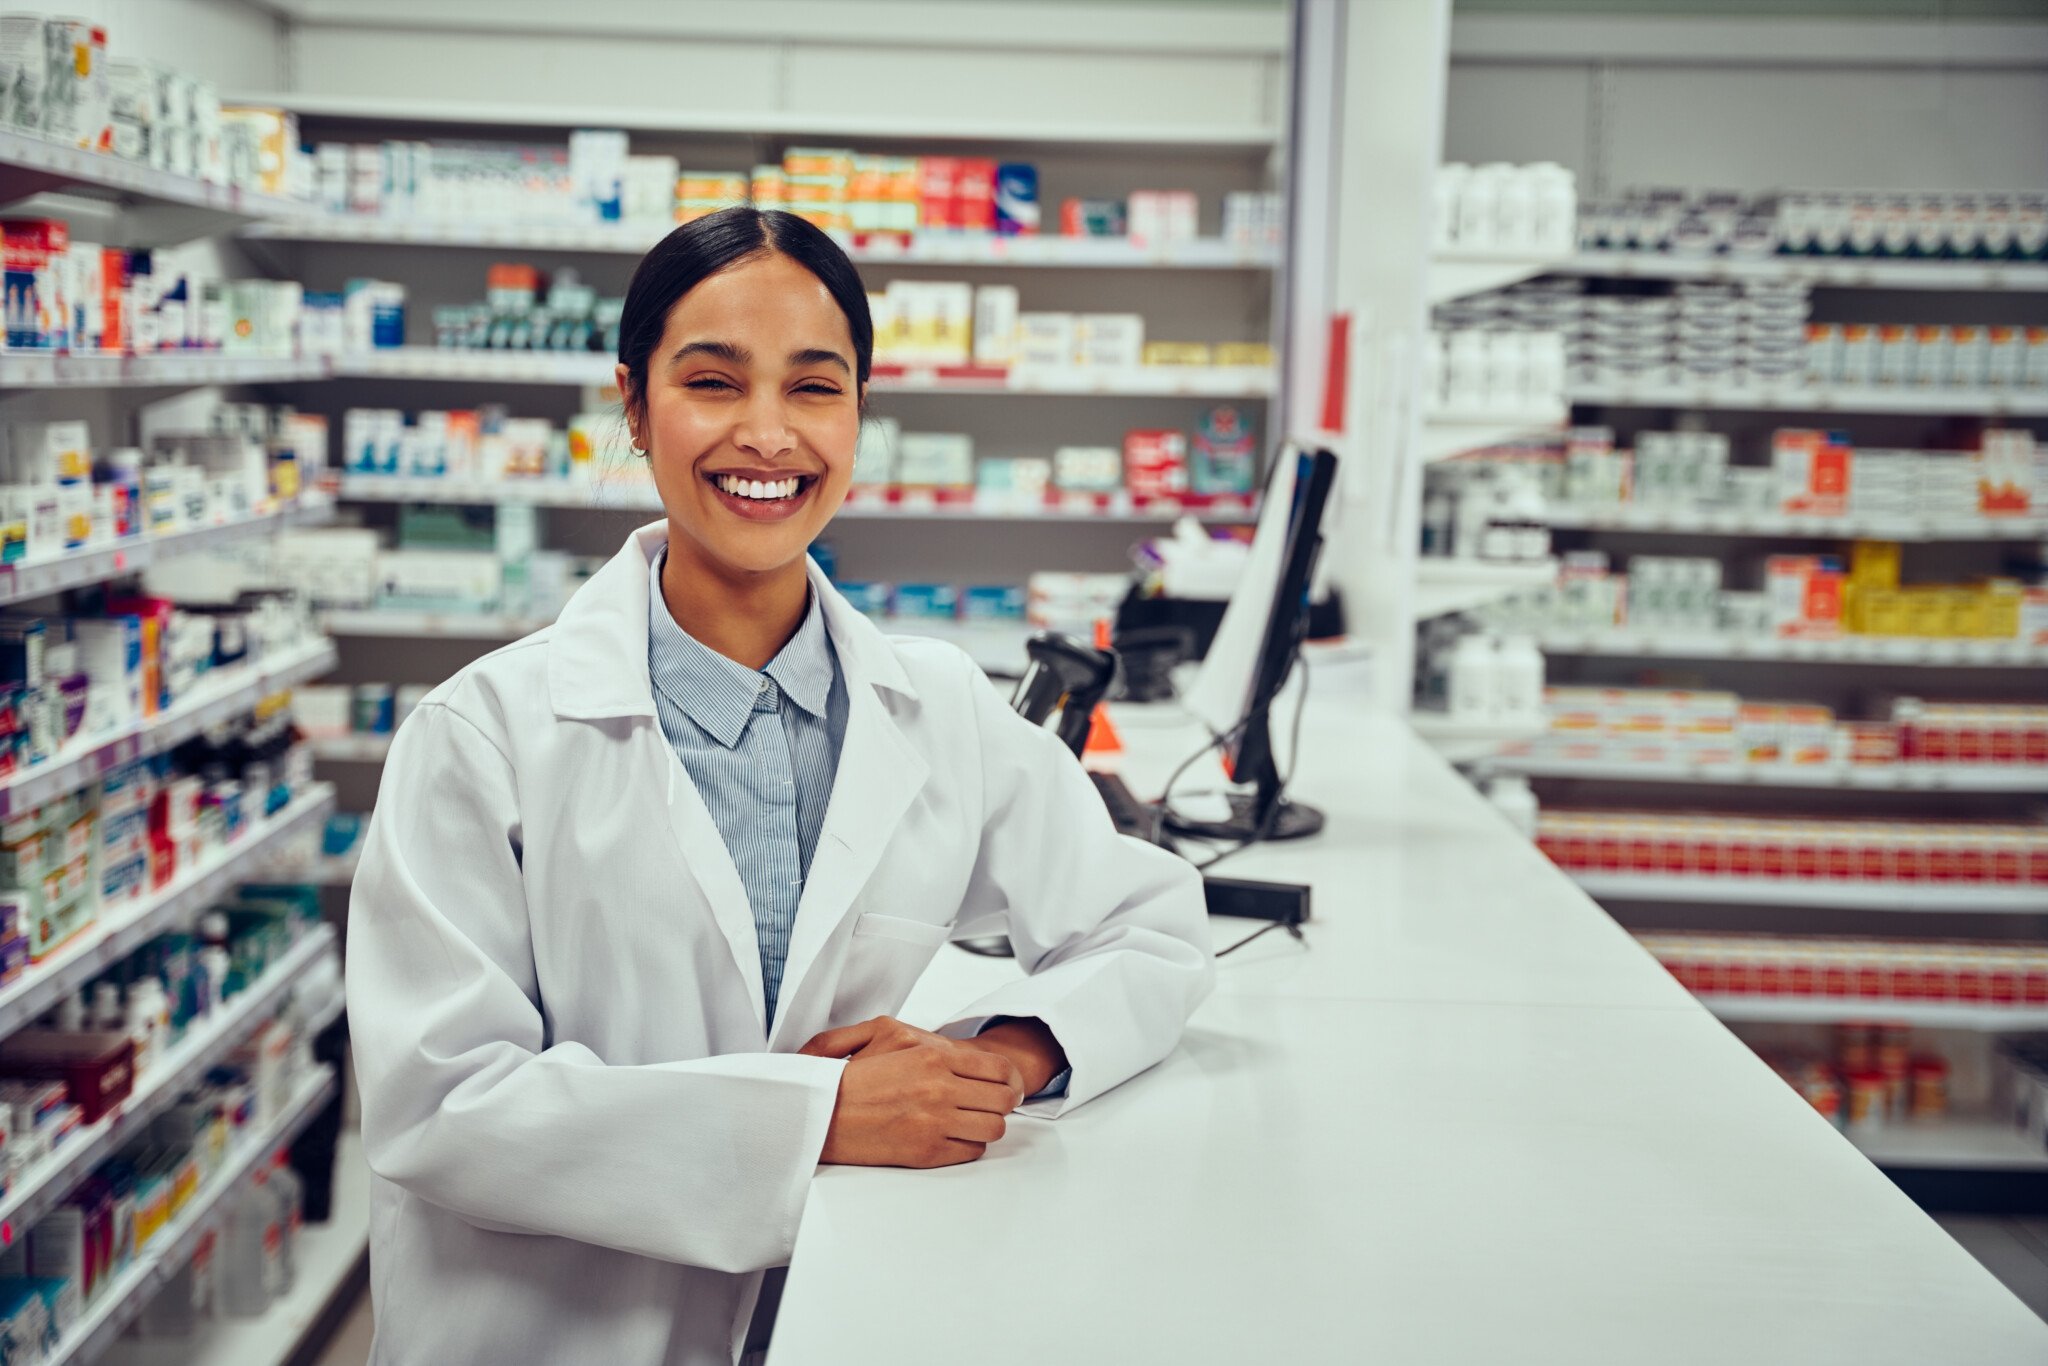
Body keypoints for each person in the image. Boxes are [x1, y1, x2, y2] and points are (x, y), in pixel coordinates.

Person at [345, 205, 1214, 1366]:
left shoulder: (935, 705)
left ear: (860, 415)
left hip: (840, 1310)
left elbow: (1148, 930)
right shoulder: (484, 735)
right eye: (712, 380)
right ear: (634, 403)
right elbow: (441, 1106)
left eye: (815, 387)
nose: (767, 435)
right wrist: (814, 1120)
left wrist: (991, 1062)